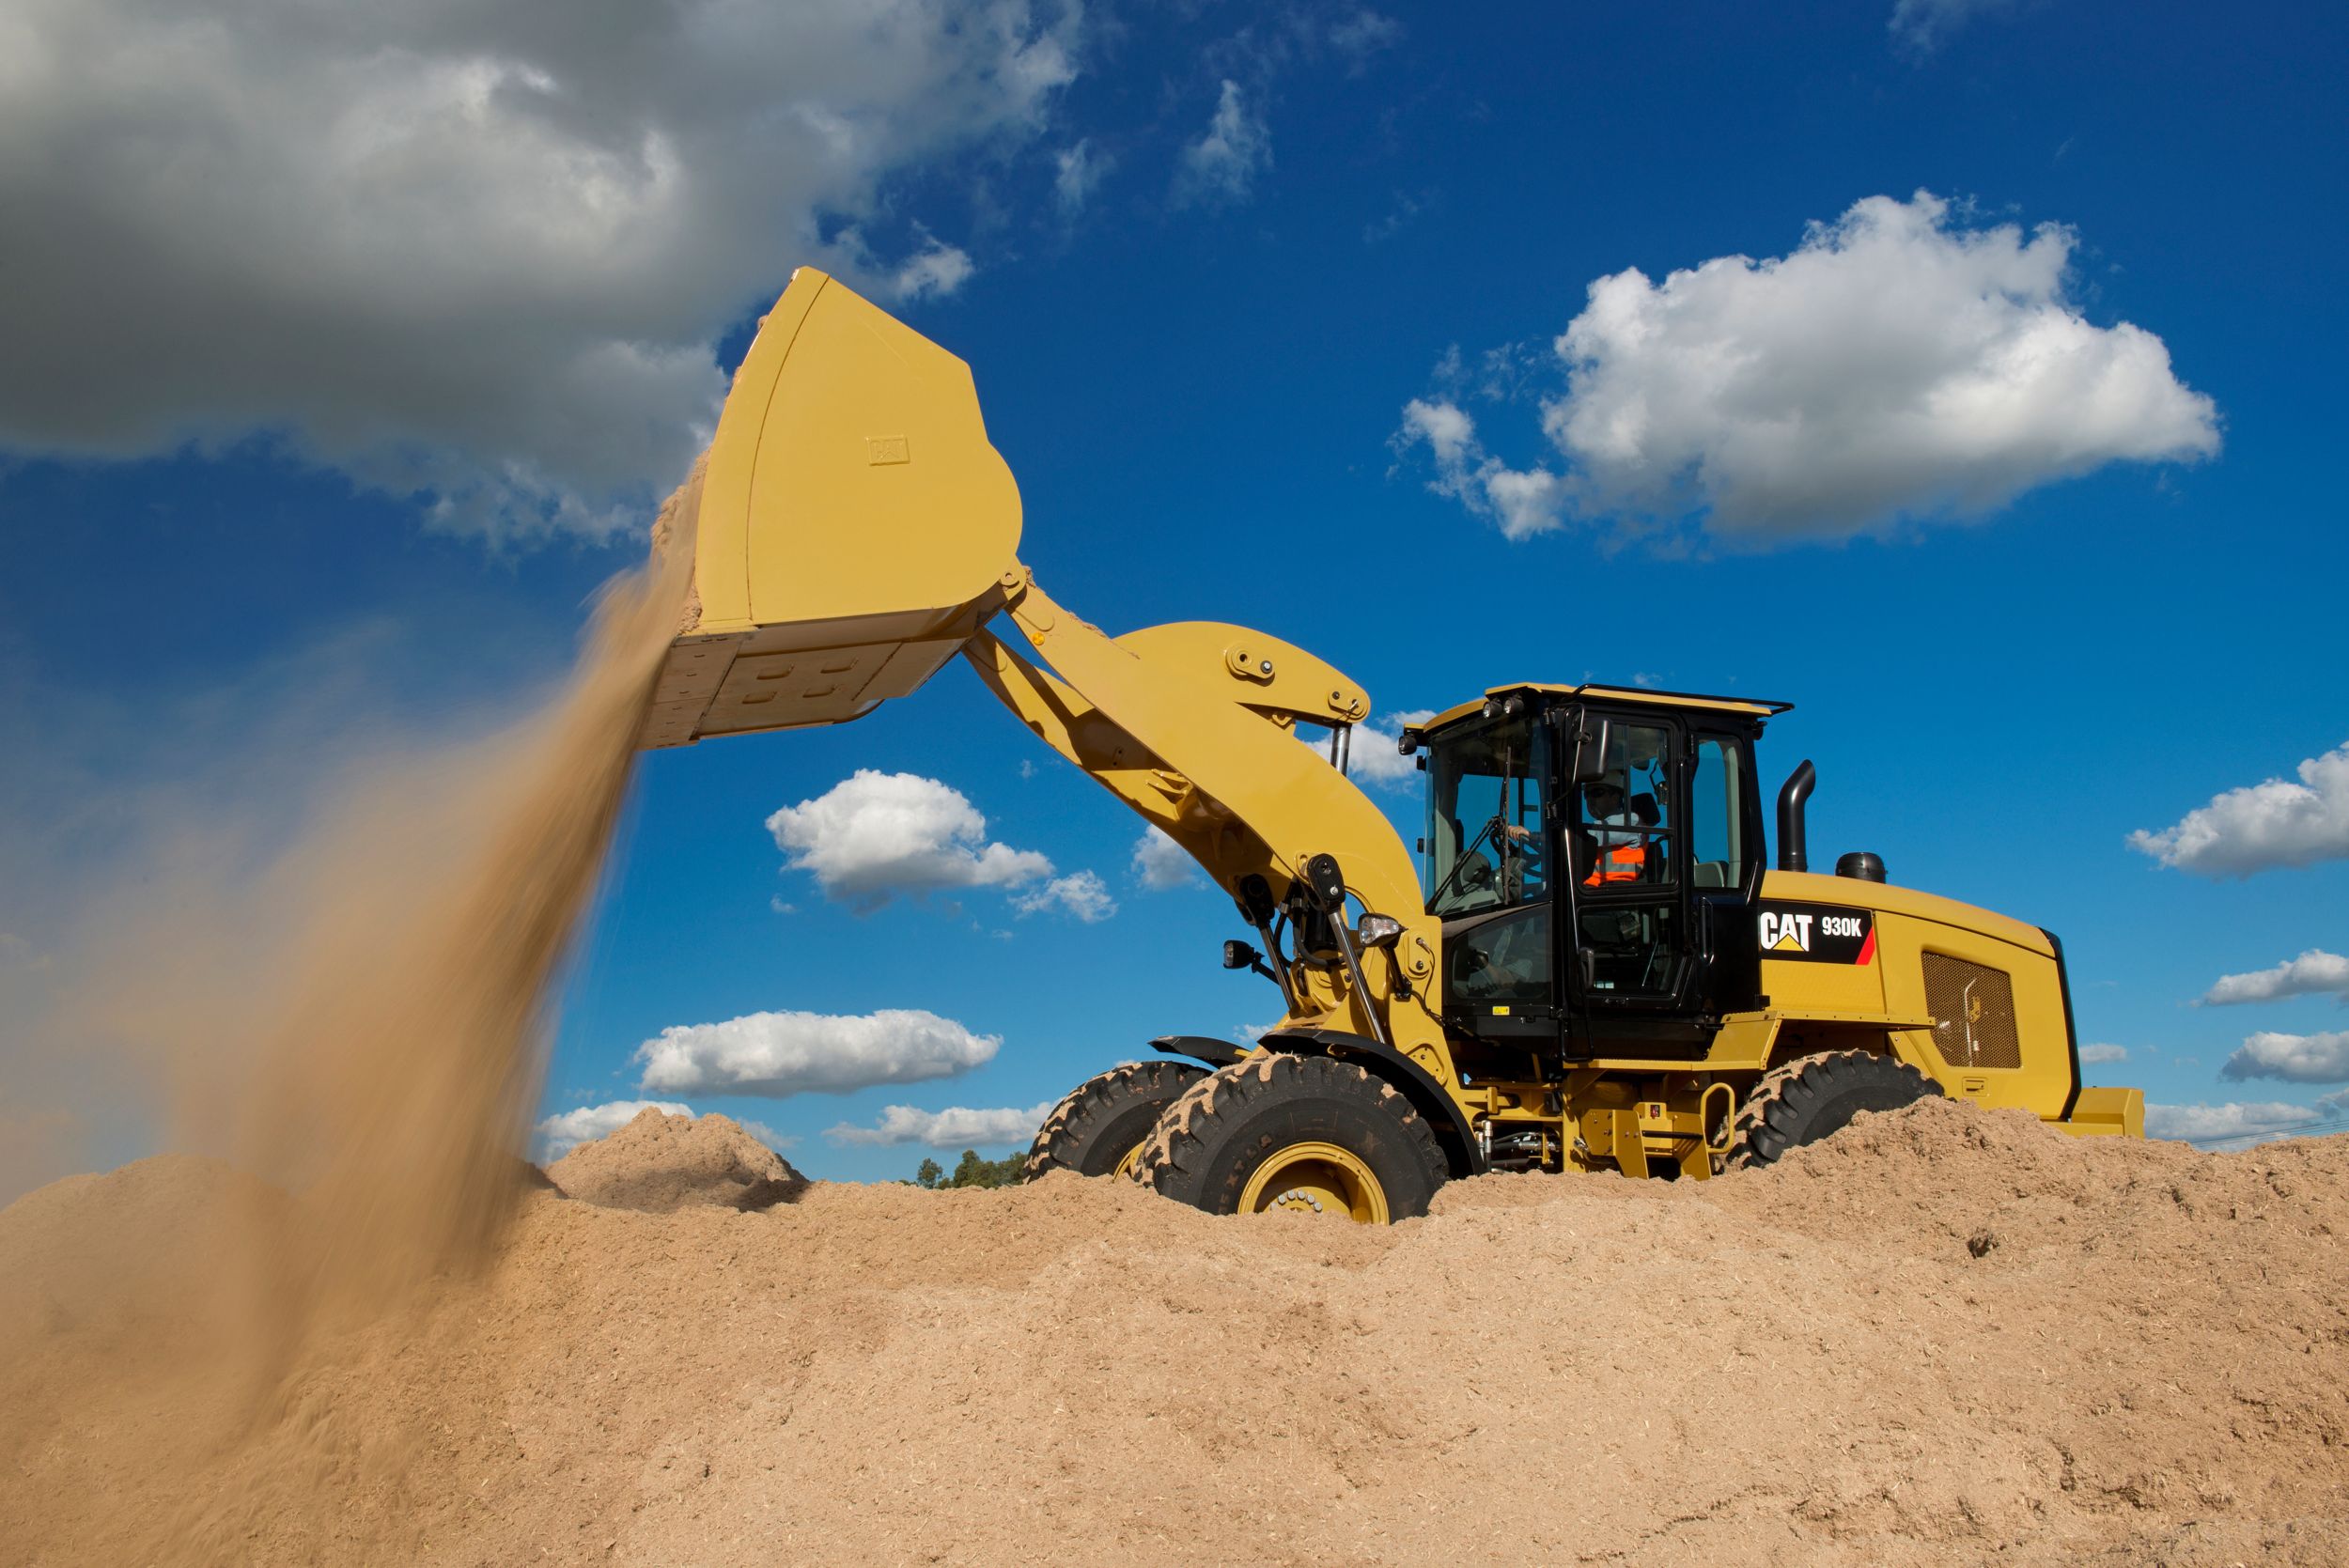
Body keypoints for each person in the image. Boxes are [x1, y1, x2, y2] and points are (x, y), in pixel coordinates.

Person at [1581, 779, 1646, 886]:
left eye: (1597, 792)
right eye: (1586, 794)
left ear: (1615, 798)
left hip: (1616, 889)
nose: (1590, 799)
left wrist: (1565, 832)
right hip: (1592, 888)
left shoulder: (1629, 820)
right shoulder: (1600, 824)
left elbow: (1595, 835)